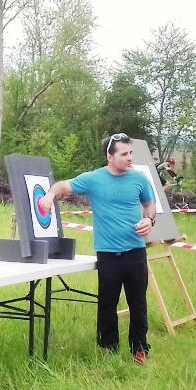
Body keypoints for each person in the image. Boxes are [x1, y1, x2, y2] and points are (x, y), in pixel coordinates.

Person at [39, 133, 157, 363]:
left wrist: (149, 220)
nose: (130, 158)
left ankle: (140, 351)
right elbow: (63, 185)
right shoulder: (93, 179)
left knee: (138, 304)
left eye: (130, 153)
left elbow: (149, 205)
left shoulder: (140, 179)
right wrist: (50, 194)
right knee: (107, 304)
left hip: (135, 252)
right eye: (124, 154)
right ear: (109, 157)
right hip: (108, 254)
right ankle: (108, 350)